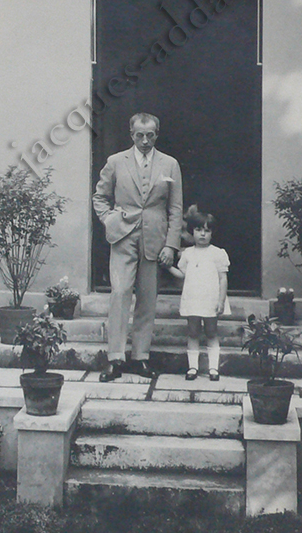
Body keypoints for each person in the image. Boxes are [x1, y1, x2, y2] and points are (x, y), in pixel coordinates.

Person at [92, 112, 183, 381]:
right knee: (120, 293)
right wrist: (109, 219)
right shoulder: (116, 161)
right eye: (139, 135)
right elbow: (100, 197)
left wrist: (171, 245)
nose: (145, 140)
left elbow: (175, 208)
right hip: (122, 235)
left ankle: (141, 357)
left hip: (155, 237)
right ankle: (115, 359)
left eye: (150, 135)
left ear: (157, 134)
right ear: (131, 134)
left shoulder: (170, 164)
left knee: (147, 297)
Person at [167, 205, 229, 381]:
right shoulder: (187, 253)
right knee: (193, 332)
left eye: (207, 231)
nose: (203, 234)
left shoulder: (218, 253)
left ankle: (213, 368)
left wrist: (221, 300)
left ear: (212, 233)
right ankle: (192, 367)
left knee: (211, 332)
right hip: (193, 299)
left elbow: (223, 278)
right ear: (191, 232)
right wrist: (168, 267)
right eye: (198, 230)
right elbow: (182, 274)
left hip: (210, 299)